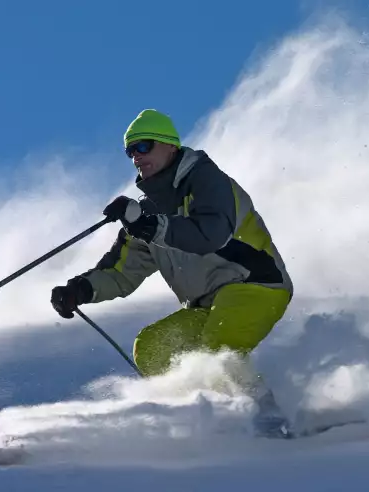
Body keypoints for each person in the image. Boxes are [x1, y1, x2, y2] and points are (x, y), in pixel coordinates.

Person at [50, 109, 295, 438]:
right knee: (152, 348)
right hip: (205, 305)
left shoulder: (209, 182)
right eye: (130, 151)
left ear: (170, 146)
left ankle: (269, 418)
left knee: (220, 348)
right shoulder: (145, 212)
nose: (137, 157)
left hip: (255, 286)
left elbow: (210, 234)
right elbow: (122, 271)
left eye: (144, 146)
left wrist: (147, 224)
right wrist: (81, 290)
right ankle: (210, 421)